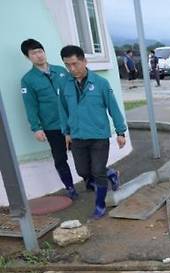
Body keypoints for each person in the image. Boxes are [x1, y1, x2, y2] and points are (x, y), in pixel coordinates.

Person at [59, 45, 127, 219]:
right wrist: (66, 132)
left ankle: (100, 205)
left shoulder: (101, 83)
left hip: (99, 136)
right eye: (68, 65)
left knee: (97, 171)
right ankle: (111, 173)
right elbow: (63, 110)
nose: (72, 69)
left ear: (84, 61)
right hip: (77, 136)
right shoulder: (65, 85)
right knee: (83, 171)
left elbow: (113, 108)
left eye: (75, 64)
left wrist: (120, 132)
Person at [19, 38, 78, 199]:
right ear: (28, 57)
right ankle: (70, 187)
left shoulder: (61, 71)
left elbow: (74, 92)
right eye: (34, 53)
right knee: (60, 159)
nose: (39, 55)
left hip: (72, 122)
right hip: (52, 126)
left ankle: (91, 180)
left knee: (83, 152)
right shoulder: (28, 80)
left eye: (40, 51)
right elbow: (30, 106)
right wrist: (36, 128)